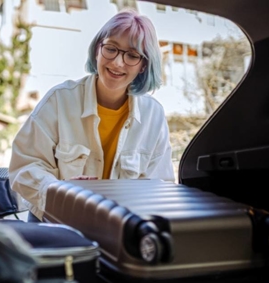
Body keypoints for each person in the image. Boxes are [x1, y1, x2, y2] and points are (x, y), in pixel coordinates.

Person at [9, 9, 175, 222]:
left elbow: (160, 187)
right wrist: (61, 193)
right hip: (56, 221)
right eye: (111, 49)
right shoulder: (59, 100)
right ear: (98, 49)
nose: (117, 62)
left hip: (120, 226)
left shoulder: (154, 115)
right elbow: (26, 165)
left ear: (144, 65)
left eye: (132, 55)